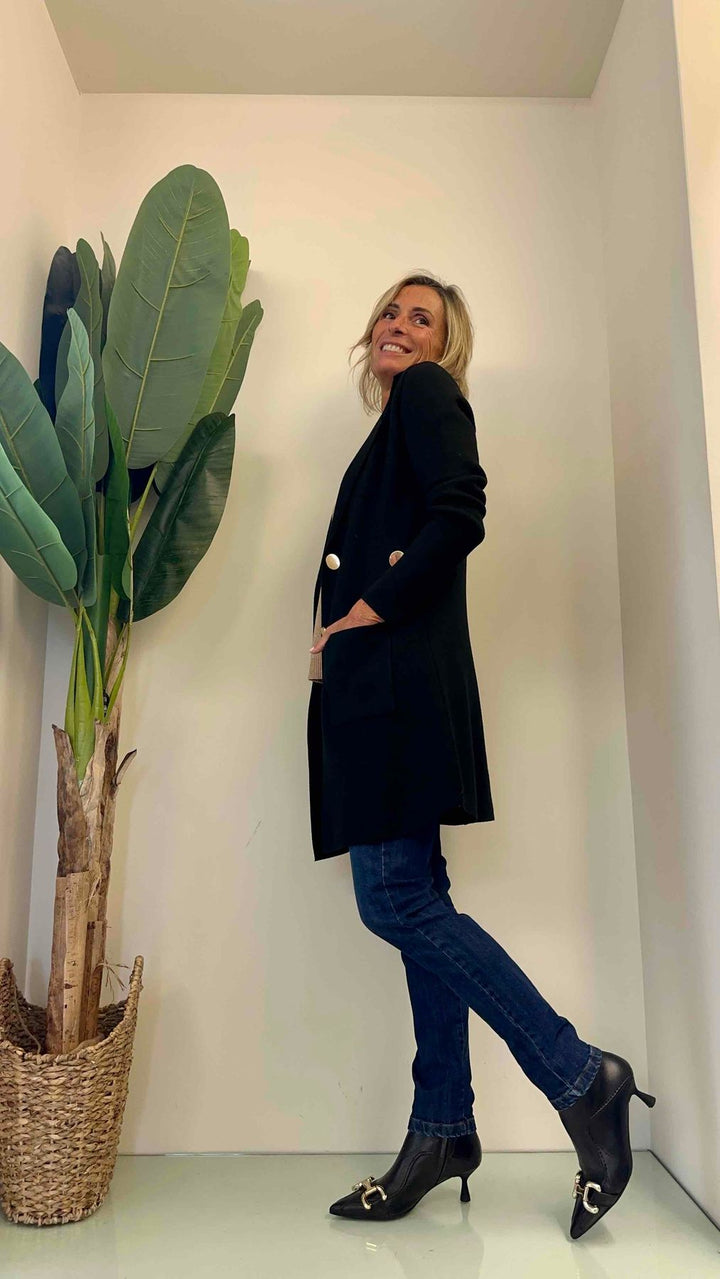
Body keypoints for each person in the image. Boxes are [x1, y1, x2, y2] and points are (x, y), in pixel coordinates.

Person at [307, 272, 656, 1238]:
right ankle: (442, 1128)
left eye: (421, 318)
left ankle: (582, 1077)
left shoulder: (427, 394)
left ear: (444, 347)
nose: (398, 324)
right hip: (391, 698)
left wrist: (366, 611)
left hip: (396, 700)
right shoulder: (393, 423)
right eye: (390, 310)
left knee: (395, 901)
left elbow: (461, 511)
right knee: (418, 899)